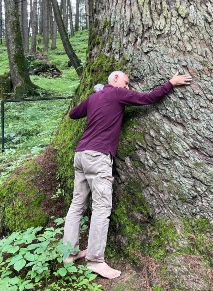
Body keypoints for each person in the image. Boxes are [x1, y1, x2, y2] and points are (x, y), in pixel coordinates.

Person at [63, 70, 192, 279]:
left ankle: (69, 254)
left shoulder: (95, 97)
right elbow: (149, 98)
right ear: (115, 79)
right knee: (101, 207)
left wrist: (93, 98)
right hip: (98, 156)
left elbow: (74, 113)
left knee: (77, 205)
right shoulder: (116, 93)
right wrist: (171, 83)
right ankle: (95, 260)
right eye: (126, 83)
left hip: (81, 155)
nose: (128, 87)